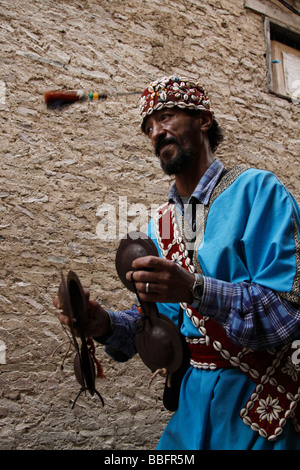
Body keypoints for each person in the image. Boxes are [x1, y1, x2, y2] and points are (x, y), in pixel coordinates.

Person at [54, 75, 300, 450]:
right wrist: (102, 324)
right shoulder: (160, 224)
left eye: (167, 117)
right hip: (192, 403)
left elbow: (288, 312)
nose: (156, 132)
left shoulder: (258, 190)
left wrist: (194, 288)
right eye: (149, 127)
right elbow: (160, 321)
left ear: (203, 120)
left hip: (258, 402)